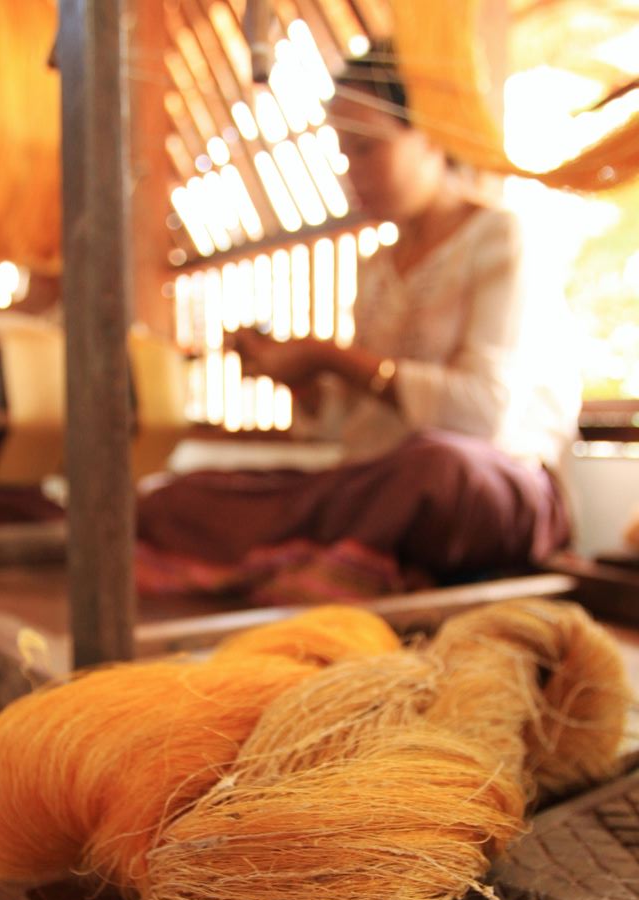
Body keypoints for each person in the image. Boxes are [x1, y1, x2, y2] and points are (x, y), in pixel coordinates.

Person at [137, 45, 580, 599]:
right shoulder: (374, 269)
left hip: (487, 489)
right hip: (380, 489)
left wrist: (330, 356)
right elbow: (344, 433)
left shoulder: (501, 239)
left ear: (431, 136)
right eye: (345, 155)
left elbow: (479, 418)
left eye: (368, 149)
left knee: (436, 470)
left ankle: (331, 562)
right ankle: (350, 560)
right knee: (177, 498)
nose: (353, 173)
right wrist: (296, 379)